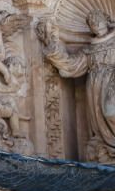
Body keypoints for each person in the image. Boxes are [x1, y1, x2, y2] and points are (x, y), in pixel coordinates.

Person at [39, 12, 115, 162]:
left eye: (98, 20)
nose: (95, 24)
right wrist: (53, 46)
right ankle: (107, 146)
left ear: (107, 21)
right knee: (100, 120)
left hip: (112, 83)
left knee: (110, 111)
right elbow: (72, 65)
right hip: (95, 88)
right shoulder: (90, 50)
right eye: (92, 22)